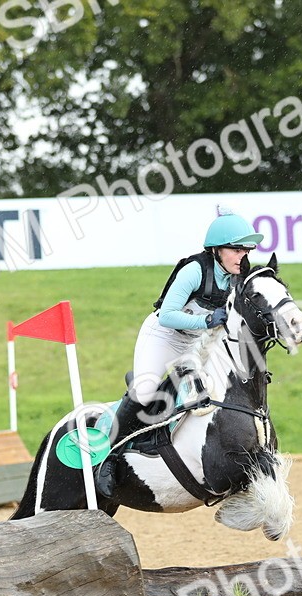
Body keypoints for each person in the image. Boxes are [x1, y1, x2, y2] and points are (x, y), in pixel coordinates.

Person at [95, 209, 263, 497]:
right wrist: (206, 321)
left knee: (207, 395)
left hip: (194, 343)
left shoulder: (238, 278)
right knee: (146, 391)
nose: (242, 256)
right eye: (236, 250)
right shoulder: (194, 270)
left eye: (245, 250)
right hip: (162, 336)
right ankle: (107, 458)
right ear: (216, 250)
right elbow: (167, 315)